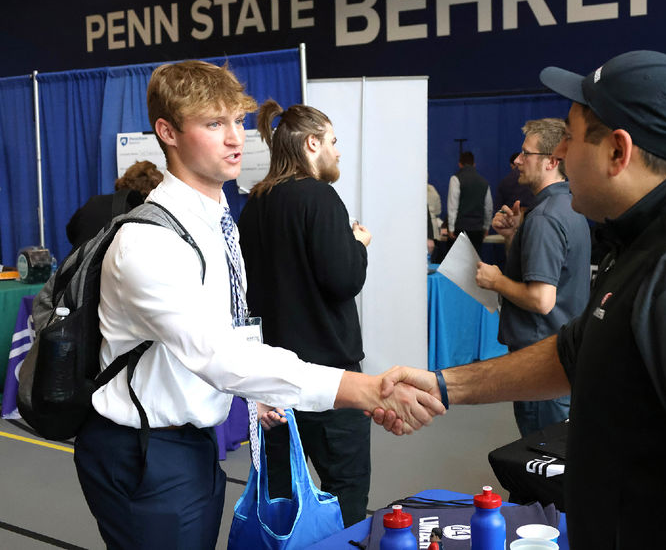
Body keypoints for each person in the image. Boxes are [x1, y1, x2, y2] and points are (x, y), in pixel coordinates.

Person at [374, 50, 666, 549]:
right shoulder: (649, 237)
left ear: (617, 152)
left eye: (571, 134)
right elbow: (577, 350)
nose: (560, 152)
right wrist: (442, 385)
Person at [71, 60, 444, 549]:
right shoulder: (149, 241)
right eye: (213, 123)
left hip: (193, 444)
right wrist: (364, 389)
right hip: (144, 450)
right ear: (168, 132)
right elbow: (217, 354)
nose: (234, 139)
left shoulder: (218, 217)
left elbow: (233, 325)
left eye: (238, 122)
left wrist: (260, 394)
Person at [238, 99, 373, 527]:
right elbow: (343, 280)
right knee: (346, 490)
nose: (338, 151)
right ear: (312, 143)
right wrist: (358, 246)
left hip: (273, 380)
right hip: (329, 381)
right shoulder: (320, 198)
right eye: (333, 141)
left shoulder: (255, 204)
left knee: (282, 496)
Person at [476, 118, 590, 437]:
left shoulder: (544, 218)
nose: (517, 160)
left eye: (526, 154)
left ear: (552, 161)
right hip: (560, 357)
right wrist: (515, 235)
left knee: (542, 462)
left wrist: (496, 280)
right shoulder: (568, 206)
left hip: (540, 362)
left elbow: (541, 299)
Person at [65, 160, 163, 248]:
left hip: (77, 266)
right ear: (154, 189)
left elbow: (71, 232)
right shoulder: (142, 215)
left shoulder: (95, 201)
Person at [446, 151, 493, 252]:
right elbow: (488, 208)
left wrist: (450, 228)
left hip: (461, 228)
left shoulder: (455, 179)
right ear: (474, 164)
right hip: (478, 229)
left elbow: (453, 206)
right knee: (474, 263)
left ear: (460, 164)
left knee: (458, 262)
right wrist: (486, 227)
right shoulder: (484, 182)